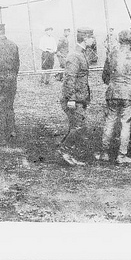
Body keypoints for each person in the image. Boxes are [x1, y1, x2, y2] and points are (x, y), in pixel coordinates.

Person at [97, 29, 131, 164]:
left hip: (113, 92)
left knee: (110, 122)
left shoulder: (111, 55)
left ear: (119, 40)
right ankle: (122, 155)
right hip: (130, 94)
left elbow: (105, 76)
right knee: (125, 124)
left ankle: (104, 153)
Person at [57, 27, 92, 166]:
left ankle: (68, 154)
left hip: (80, 97)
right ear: (85, 39)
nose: (93, 40)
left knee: (76, 126)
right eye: (91, 37)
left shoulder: (81, 54)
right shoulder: (74, 56)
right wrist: (71, 98)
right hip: (73, 99)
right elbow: (69, 79)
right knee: (79, 126)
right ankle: (64, 150)